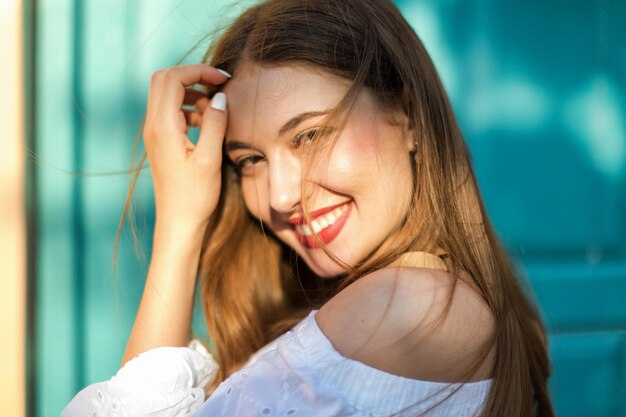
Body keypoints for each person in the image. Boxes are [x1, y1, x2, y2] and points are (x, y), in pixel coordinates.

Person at [63, 0, 554, 416]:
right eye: (251, 160)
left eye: (310, 135)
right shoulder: (417, 301)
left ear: (408, 117)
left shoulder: (407, 307)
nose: (279, 196)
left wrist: (177, 225)